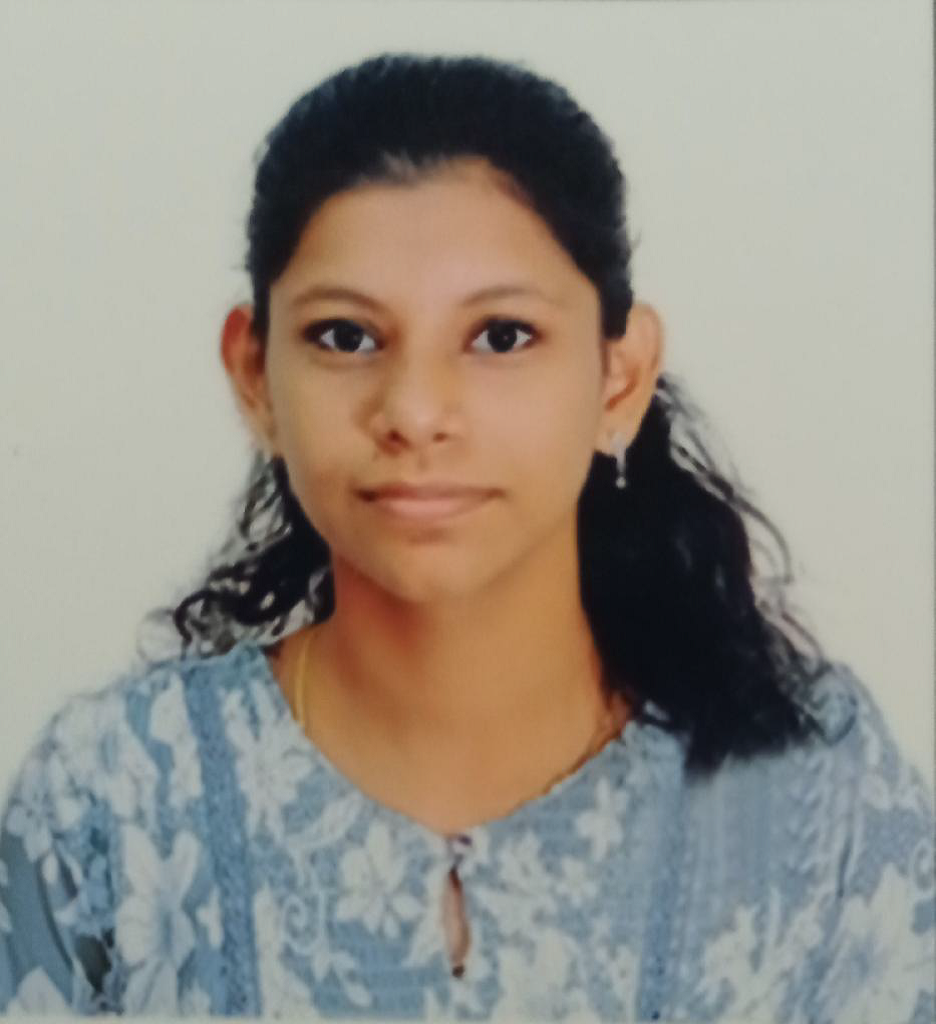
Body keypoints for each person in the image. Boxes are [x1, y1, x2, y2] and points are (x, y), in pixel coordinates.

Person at [0, 52, 932, 1022]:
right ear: (255, 375)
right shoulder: (112, 801)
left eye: (501, 336)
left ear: (618, 378)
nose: (414, 412)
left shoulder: (821, 797)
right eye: (346, 337)